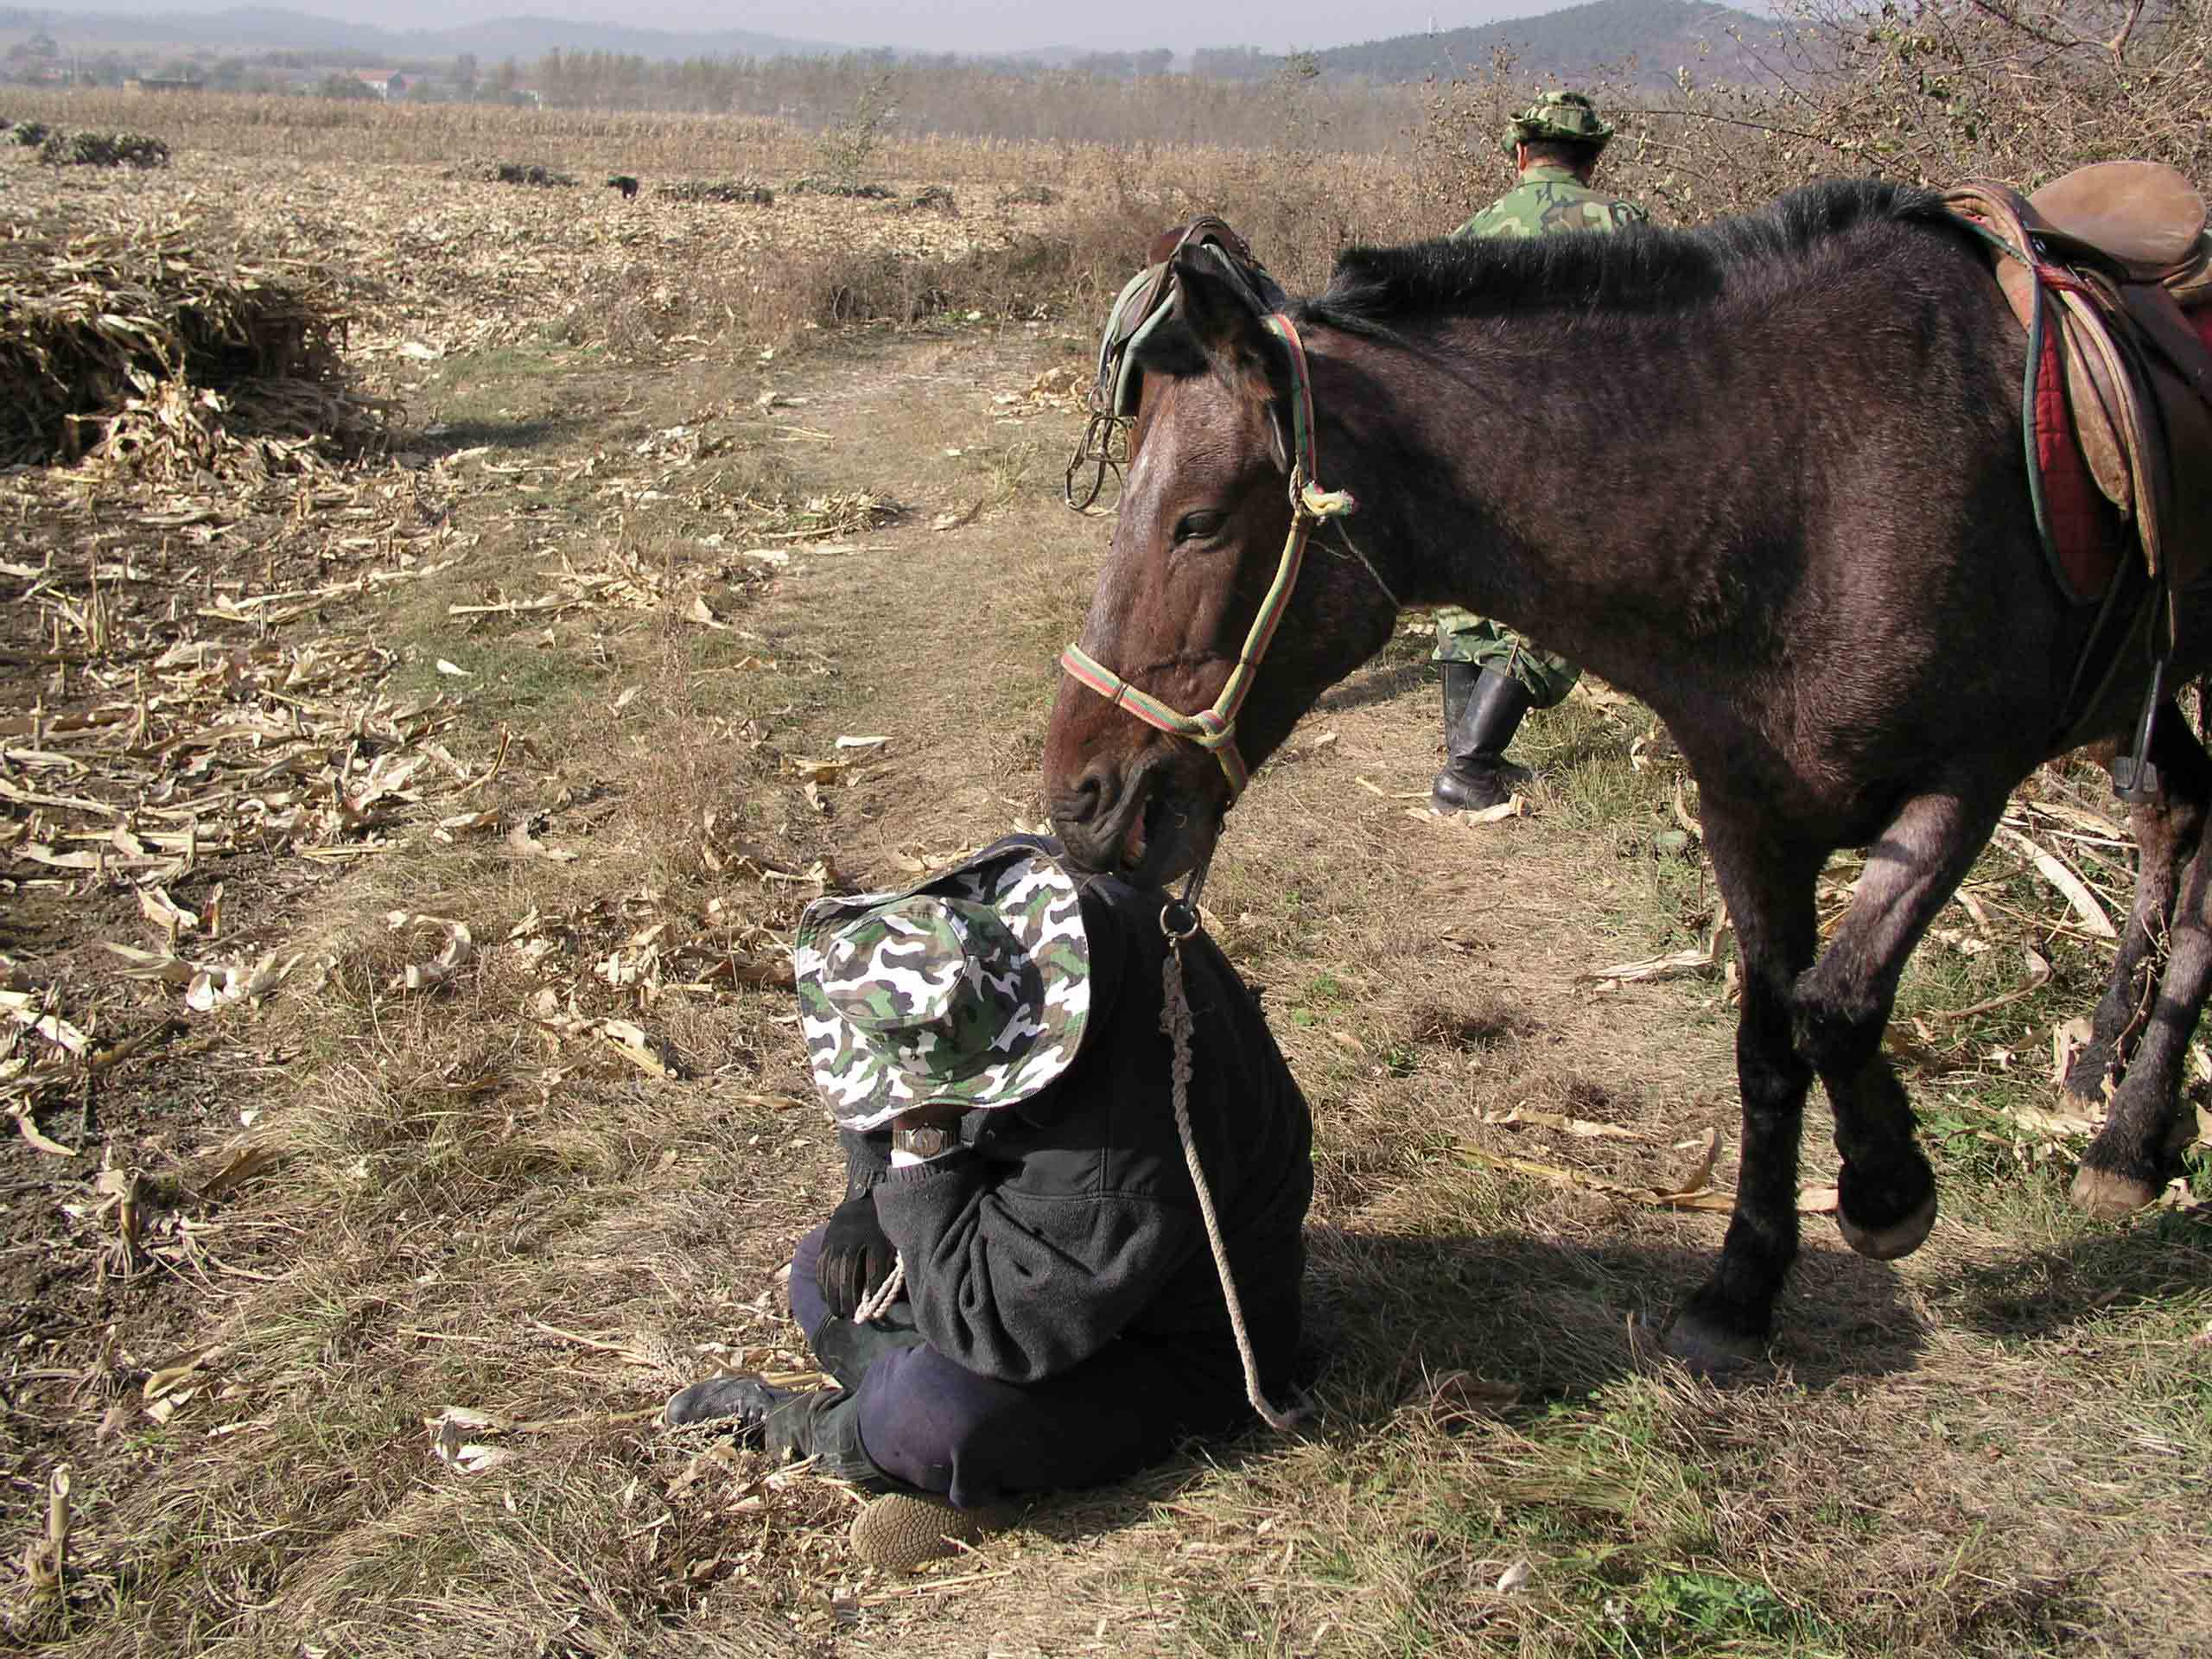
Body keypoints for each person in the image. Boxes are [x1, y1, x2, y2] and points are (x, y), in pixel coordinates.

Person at [664, 836, 1313, 1568]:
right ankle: (952, 1448)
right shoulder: (1017, 923)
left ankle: (831, 1430)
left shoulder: (1115, 1161)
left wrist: (919, 1158)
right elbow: (898, 1050)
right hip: (1038, 1250)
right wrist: (870, 1191)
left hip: (1178, 1348)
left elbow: (1000, 1331)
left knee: (933, 1413)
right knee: (821, 1268)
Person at [1430, 90, 1648, 814]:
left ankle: (1468, 756)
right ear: (1592, 159)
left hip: (1477, 437)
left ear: (1521, 154)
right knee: (1565, 601)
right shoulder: (1627, 228)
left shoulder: (1472, 232)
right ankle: (1470, 766)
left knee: (1468, 596)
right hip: (1578, 443)